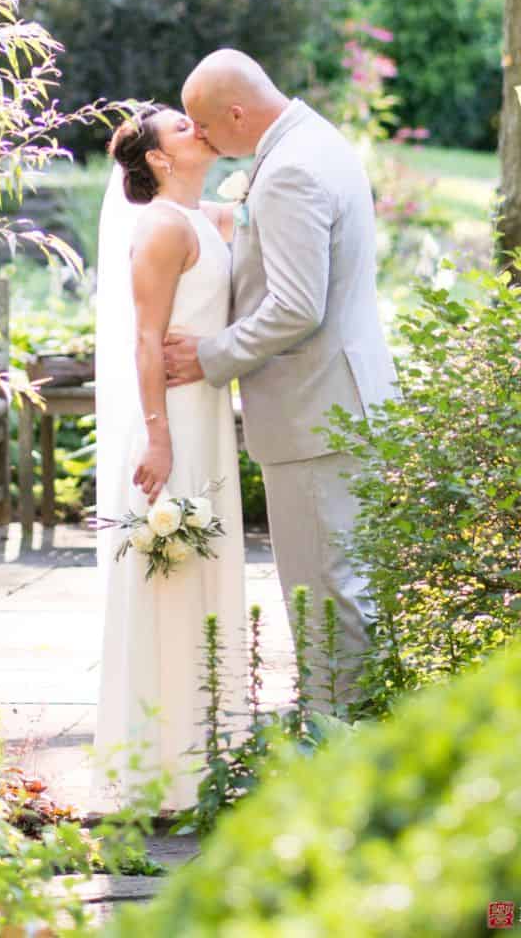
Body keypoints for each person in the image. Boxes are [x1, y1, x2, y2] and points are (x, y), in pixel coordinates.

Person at [164, 50, 398, 705]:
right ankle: (366, 730)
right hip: (340, 402)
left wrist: (211, 355)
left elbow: (297, 305)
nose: (203, 139)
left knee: (329, 593)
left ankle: (339, 745)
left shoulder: (289, 170)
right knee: (353, 586)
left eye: (207, 126)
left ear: (238, 113)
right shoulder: (315, 140)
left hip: (315, 412)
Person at [91, 104, 245, 812]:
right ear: (156, 158)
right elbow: (145, 340)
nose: (199, 127)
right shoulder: (157, 227)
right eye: (181, 128)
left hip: (208, 415)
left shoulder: (210, 221)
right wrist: (157, 436)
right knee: (168, 574)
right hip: (171, 423)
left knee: (205, 572)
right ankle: (157, 772)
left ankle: (207, 756)